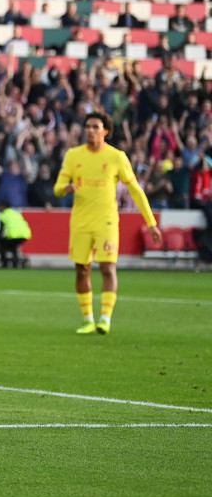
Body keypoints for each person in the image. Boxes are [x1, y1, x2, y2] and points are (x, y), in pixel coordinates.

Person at [54, 111, 162, 335]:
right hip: (80, 222)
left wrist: (151, 222)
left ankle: (105, 318)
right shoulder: (74, 156)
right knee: (81, 270)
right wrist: (65, 188)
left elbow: (135, 190)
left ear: (106, 131)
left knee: (107, 268)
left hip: (107, 221)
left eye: (95, 127)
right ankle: (87, 319)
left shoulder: (117, 157)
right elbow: (57, 187)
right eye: (88, 127)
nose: (90, 131)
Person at [0, 201, 32, 268]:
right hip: (24, 234)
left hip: (13, 235)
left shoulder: (3, 214)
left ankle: (5, 263)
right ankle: (15, 261)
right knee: (13, 246)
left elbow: (1, 229)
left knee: (2, 246)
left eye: (0, 207)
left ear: (4, 207)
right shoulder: (16, 213)